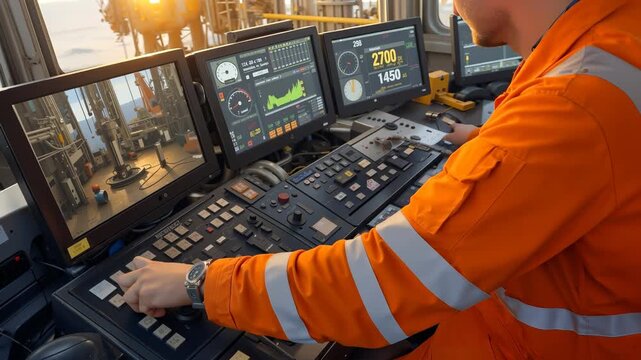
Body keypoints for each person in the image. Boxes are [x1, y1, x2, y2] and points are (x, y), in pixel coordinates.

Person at [116, 0, 641, 358]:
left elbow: (378, 287)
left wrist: (198, 281)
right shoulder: (615, 47)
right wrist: (487, 144)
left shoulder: (573, 106)